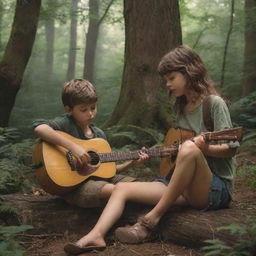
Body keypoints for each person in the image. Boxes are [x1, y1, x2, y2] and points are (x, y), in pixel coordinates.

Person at [63, 46, 240, 255]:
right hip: (182, 185)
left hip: (214, 189)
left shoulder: (214, 104)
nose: (167, 84)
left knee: (191, 148)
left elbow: (231, 149)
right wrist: (168, 153)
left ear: (189, 72)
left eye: (171, 78)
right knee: (122, 189)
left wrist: (202, 148)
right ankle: (96, 236)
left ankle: (150, 221)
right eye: (166, 79)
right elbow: (181, 150)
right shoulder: (182, 108)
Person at [32, 79, 148, 209]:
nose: (90, 113)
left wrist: (131, 163)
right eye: (83, 109)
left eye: (93, 107)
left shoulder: (99, 136)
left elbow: (108, 171)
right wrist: (73, 147)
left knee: (140, 187)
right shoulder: (66, 123)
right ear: (69, 110)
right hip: (76, 188)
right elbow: (39, 128)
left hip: (102, 181)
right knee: (115, 190)